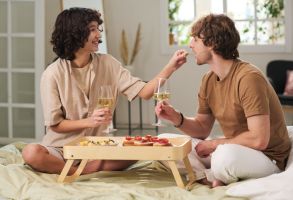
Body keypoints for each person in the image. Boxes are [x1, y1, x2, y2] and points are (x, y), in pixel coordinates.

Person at [22, 7, 187, 175]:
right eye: (92, 29)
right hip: (61, 150)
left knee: (137, 150)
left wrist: (171, 66)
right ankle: (78, 171)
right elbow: (55, 124)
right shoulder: (52, 74)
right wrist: (89, 121)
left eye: (97, 29)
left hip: (97, 149)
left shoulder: (108, 63)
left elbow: (144, 92)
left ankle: (77, 171)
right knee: (31, 153)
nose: (98, 35)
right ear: (75, 32)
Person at [155, 14, 291, 187]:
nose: (190, 45)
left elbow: (259, 140)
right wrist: (177, 118)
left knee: (224, 156)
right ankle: (209, 176)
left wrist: (213, 144)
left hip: (267, 158)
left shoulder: (248, 78)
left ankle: (209, 175)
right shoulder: (208, 80)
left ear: (211, 43)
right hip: (235, 150)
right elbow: (202, 128)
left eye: (195, 39)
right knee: (166, 142)